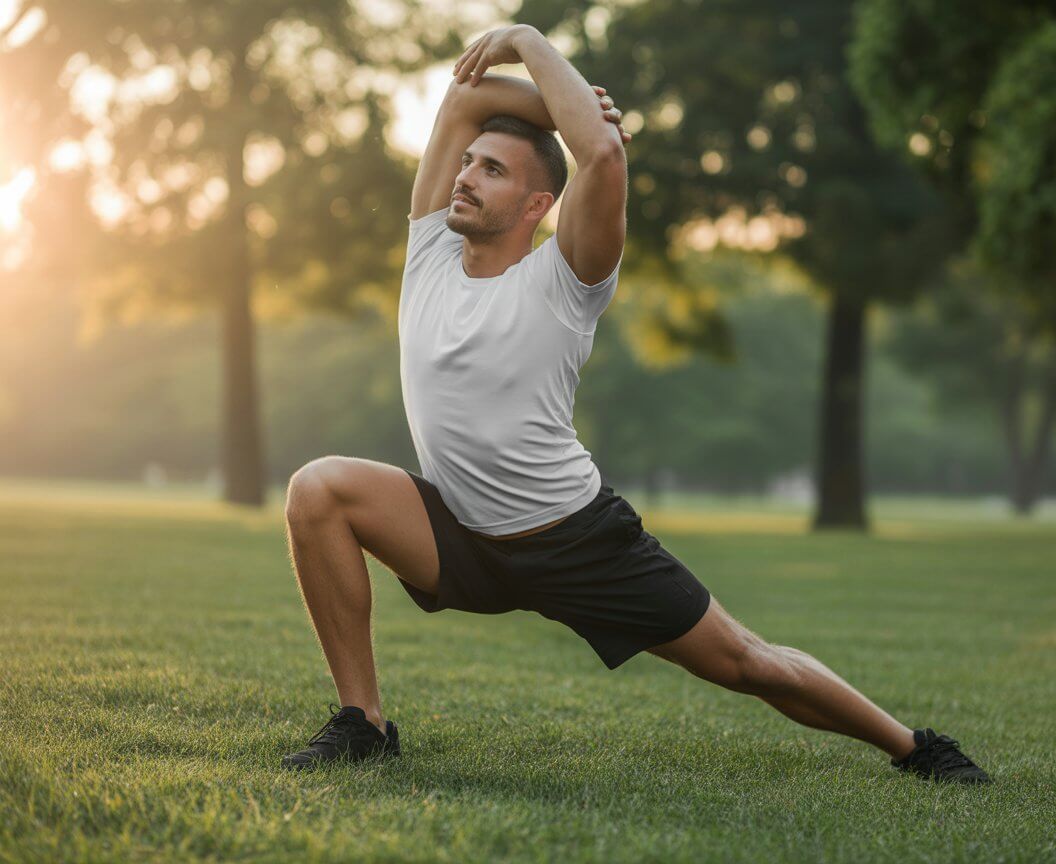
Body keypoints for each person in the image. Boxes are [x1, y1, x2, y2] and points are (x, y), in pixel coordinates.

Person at [279, 24, 991, 785]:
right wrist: (571, 104)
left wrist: (527, 42)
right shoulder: (429, 252)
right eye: (468, 163)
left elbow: (605, 156)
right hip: (457, 530)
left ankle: (916, 747)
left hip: (576, 542)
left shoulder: (567, 277)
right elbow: (464, 98)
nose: (465, 176)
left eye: (491, 170)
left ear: (538, 203)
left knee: (749, 663)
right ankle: (366, 724)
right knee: (318, 489)